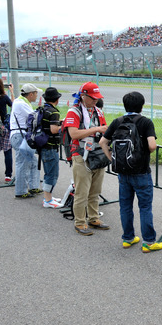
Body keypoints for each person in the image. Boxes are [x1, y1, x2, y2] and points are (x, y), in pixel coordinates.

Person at [99, 91, 162, 253]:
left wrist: (112, 159)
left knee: (125, 206)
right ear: (142, 106)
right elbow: (151, 145)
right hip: (141, 171)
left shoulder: (117, 122)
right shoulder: (145, 122)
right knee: (144, 207)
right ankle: (149, 242)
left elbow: (103, 142)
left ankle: (128, 238)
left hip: (122, 171)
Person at [64, 82, 109, 236]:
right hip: (81, 156)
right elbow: (74, 134)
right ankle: (80, 222)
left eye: (97, 97)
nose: (96, 100)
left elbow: (104, 131)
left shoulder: (98, 111)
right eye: (93, 97)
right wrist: (96, 129)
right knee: (82, 192)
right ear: (83, 96)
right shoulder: (74, 112)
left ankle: (94, 218)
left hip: (97, 155)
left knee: (95, 191)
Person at [9, 83, 41, 198]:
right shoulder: (22, 104)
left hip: (19, 135)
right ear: (31, 94)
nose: (37, 95)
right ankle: (21, 191)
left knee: (32, 161)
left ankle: (33, 186)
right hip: (20, 135)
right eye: (36, 93)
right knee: (23, 163)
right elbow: (35, 117)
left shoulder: (20, 101)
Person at [39, 87, 63, 208]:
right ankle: (47, 200)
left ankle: (48, 197)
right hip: (50, 146)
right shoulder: (54, 112)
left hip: (43, 145)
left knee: (48, 172)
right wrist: (61, 125)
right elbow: (54, 130)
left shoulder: (43, 109)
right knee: (52, 174)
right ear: (57, 99)